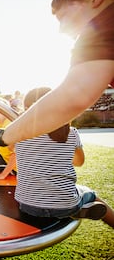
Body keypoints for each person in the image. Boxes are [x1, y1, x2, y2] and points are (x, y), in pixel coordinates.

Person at [0, 0, 114, 150]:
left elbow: (73, 96)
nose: (61, 29)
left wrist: (0, 137)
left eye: (64, 17)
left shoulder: (102, 27)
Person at [14, 87, 113, 227]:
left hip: (27, 206)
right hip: (64, 205)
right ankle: (76, 210)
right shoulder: (71, 133)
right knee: (88, 193)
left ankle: (74, 209)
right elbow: (79, 162)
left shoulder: (18, 133)